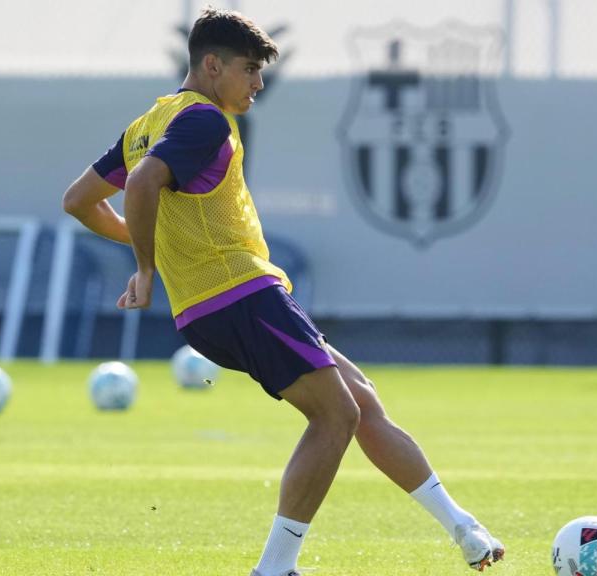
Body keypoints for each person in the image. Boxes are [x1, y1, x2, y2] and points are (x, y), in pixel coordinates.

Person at [62, 7, 504, 574]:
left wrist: (156, 250)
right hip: (240, 293)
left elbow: (79, 199)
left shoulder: (149, 122)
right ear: (213, 65)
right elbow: (144, 183)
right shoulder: (204, 121)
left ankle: (463, 530)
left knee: (361, 402)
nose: (258, 84)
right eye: (249, 70)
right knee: (336, 416)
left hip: (218, 304)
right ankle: (275, 568)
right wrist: (147, 266)